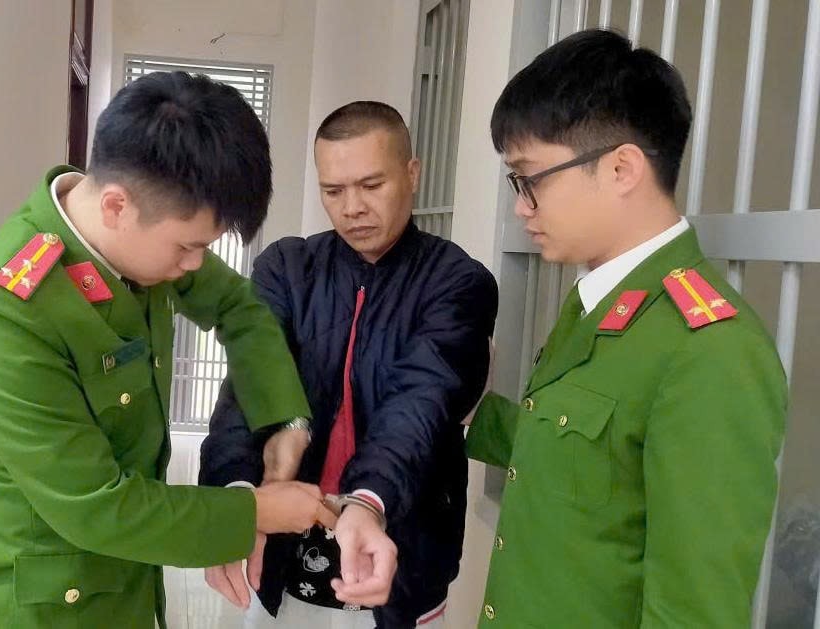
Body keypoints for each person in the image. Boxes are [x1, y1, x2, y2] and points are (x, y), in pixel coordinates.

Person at [0, 72, 336, 629]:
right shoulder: (4, 311)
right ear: (116, 206)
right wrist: (255, 513)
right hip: (33, 607)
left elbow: (239, 308)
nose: (195, 265)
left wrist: (284, 420)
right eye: (188, 247)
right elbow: (96, 506)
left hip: (127, 585)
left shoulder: (141, 235)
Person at [466, 29, 787, 627]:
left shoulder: (712, 351)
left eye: (529, 179)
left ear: (620, 168)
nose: (521, 206)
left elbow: (693, 613)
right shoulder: (599, 301)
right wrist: (470, 413)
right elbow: (583, 463)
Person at [199, 101, 498, 628]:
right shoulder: (287, 268)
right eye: (333, 191)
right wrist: (233, 499)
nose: (352, 208)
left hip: (395, 548)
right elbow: (249, 387)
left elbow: (421, 401)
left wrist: (368, 500)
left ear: (412, 173)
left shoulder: (456, 281)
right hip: (281, 552)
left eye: (371, 185)